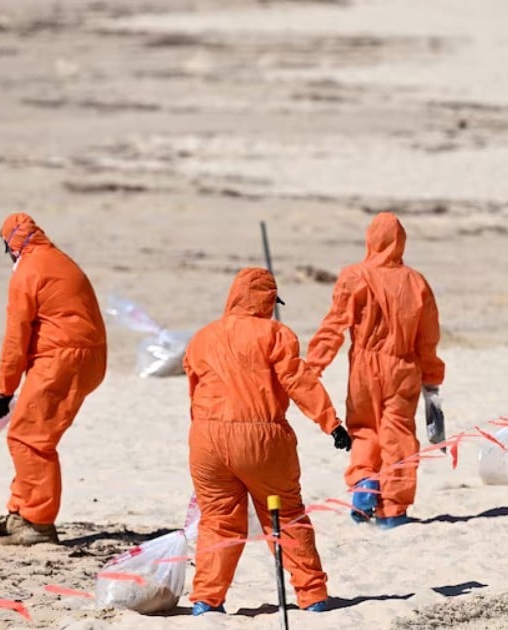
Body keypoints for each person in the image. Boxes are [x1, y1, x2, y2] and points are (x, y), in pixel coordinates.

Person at [185, 267, 350, 615]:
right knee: (287, 514)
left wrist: (203, 435)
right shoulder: (276, 334)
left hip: (206, 440)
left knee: (217, 520)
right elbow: (299, 381)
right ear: (266, 301)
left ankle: (206, 600)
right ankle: (312, 596)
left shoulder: (202, 337)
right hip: (262, 438)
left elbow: (194, 391)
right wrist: (331, 423)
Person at [305, 212, 444, 530]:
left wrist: (313, 367)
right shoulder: (416, 282)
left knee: (364, 428)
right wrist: (432, 379)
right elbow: (428, 339)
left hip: (365, 366)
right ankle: (392, 509)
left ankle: (366, 483)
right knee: (398, 436)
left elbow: (333, 326)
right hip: (402, 366)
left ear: (371, 240)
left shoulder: (354, 276)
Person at [0, 213, 108, 546]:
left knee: (29, 438)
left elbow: (16, 336)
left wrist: (3, 390)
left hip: (65, 358)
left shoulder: (28, 270)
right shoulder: (57, 259)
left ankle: (36, 523)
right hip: (86, 357)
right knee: (28, 431)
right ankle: (20, 513)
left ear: (12, 244)